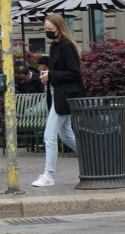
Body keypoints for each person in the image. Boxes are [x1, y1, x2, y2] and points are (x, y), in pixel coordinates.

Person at [32, 14, 85, 187]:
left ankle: (49, 175)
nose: (48, 32)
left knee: (49, 136)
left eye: (50, 30)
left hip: (66, 97)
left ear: (59, 29)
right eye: (46, 29)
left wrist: (51, 75)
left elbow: (75, 73)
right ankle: (94, 158)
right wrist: (48, 77)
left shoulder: (67, 46)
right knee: (66, 135)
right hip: (58, 95)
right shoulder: (55, 45)